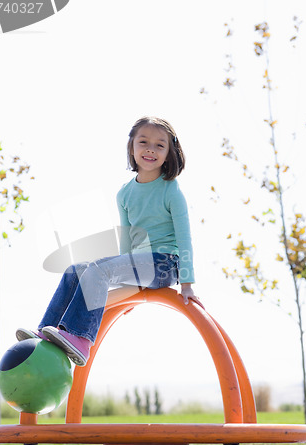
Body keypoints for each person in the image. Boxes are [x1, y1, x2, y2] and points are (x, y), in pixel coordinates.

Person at [16, 116, 203, 366]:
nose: (150, 149)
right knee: (76, 271)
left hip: (165, 264)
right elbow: (128, 241)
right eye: (144, 142)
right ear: (132, 147)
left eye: (160, 145)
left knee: (99, 270)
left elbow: (184, 237)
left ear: (169, 153)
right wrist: (125, 283)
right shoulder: (124, 193)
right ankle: (46, 330)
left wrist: (188, 284)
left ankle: (81, 338)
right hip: (139, 264)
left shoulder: (171, 189)